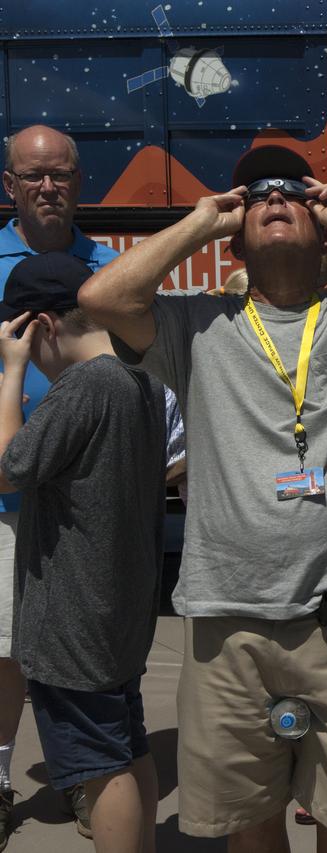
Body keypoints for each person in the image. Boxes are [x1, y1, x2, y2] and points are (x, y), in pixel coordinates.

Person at [77, 145, 327, 852]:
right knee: (252, 826)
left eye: (293, 192)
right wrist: (200, 223)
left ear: (324, 227)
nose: (273, 197)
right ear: (236, 233)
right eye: (256, 193)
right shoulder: (195, 325)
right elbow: (102, 298)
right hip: (228, 625)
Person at [0, 252, 167, 853]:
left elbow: (7, 467)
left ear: (40, 325)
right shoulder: (141, 377)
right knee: (128, 743)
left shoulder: (83, 386)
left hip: (74, 614)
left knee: (98, 764)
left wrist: (12, 373)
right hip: (118, 606)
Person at [0, 124, 118, 844]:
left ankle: (85, 776)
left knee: (82, 646)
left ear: (80, 181)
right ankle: (2, 775)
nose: (48, 186)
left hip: (86, 504)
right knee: (6, 647)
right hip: (6, 498)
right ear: (8, 183)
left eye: (62, 174)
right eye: (33, 175)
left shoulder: (106, 268)